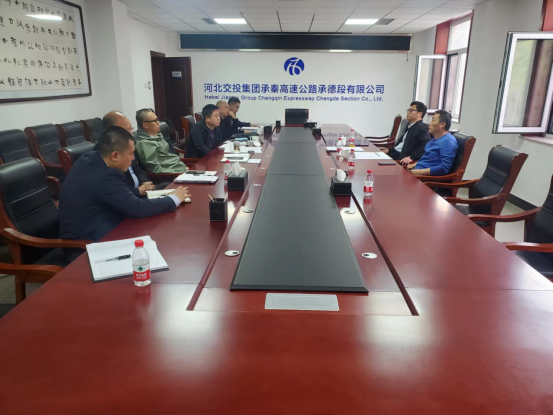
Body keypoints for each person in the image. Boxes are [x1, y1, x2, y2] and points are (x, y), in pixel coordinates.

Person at [60, 127, 190, 242]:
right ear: (115, 155)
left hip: (103, 224)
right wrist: (174, 198)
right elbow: (136, 208)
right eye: (131, 153)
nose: (133, 158)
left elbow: (119, 194)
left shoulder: (90, 158)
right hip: (88, 242)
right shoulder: (105, 174)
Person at [102, 110, 164, 196]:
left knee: (169, 187)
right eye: (127, 130)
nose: (131, 135)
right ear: (112, 132)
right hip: (131, 195)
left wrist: (144, 182)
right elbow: (119, 191)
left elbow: (138, 169)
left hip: (142, 190)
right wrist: (139, 190)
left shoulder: (128, 145)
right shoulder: (106, 156)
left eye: (131, 129)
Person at [135, 108, 188, 173]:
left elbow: (167, 157)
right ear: (145, 125)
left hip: (179, 166)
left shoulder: (157, 135)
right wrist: (179, 172)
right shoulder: (144, 143)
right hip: (173, 173)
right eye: (155, 120)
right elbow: (155, 169)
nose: (158, 122)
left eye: (157, 119)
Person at [408, 110, 458, 176]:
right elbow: (428, 159)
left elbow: (444, 168)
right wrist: (415, 164)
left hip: (424, 178)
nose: (429, 123)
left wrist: (419, 172)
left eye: (433, 120)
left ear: (442, 124)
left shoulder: (448, 141)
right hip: (416, 171)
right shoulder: (434, 139)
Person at [382, 101, 431, 166]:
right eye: (408, 110)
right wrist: (389, 150)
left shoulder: (422, 127)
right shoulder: (410, 126)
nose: (408, 112)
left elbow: (426, 145)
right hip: (394, 154)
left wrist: (411, 157)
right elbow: (401, 145)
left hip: (400, 159)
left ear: (420, 113)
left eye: (411, 110)